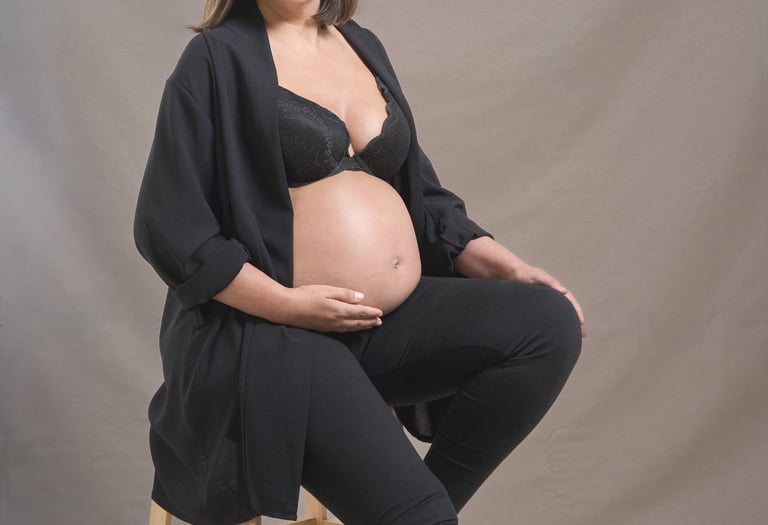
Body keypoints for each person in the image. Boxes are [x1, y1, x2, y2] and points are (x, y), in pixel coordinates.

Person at [132, 0, 586, 524]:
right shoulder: (216, 56)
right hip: (272, 334)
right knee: (418, 516)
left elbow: (426, 198)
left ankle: (421, 508)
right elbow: (169, 224)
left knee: (546, 323)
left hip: (379, 328)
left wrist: (510, 268)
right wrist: (286, 305)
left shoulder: (360, 44)